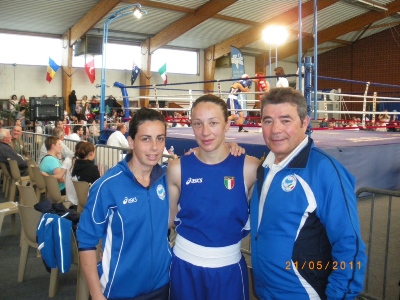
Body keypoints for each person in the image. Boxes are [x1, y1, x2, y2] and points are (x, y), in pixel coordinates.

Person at [250, 88, 366, 299]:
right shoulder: (265, 167)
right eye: (268, 121)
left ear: (305, 123)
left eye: (285, 120)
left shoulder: (325, 170)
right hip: (265, 291)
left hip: (305, 293)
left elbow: (350, 246)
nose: (275, 129)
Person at [167, 94, 259, 300]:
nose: (205, 132)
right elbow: (167, 221)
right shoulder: (177, 169)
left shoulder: (250, 168)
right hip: (184, 267)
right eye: (198, 124)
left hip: (229, 270)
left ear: (227, 125)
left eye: (213, 123)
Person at [76, 108, 172, 300]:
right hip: (119, 291)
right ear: (131, 142)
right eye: (146, 139)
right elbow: (86, 242)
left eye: (160, 138)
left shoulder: (168, 179)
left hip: (163, 285)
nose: (154, 146)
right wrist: (96, 294)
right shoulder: (107, 186)